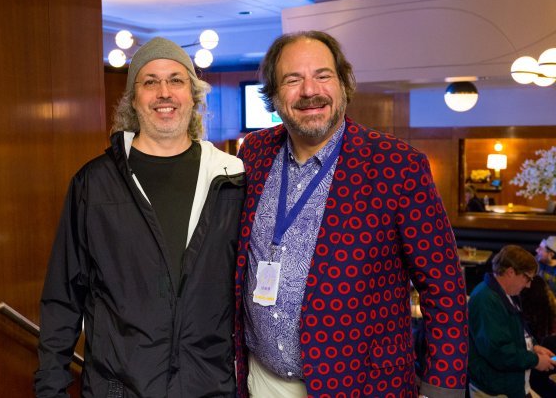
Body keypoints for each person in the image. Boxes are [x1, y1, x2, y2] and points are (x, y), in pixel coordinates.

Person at [234, 30, 468, 398]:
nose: (310, 91)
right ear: (274, 96)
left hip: (362, 385)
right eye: (293, 79)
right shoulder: (254, 152)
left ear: (344, 84)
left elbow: (444, 287)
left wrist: (442, 388)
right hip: (261, 380)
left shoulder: (398, 166)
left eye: (323, 75)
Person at [34, 37, 245, 397]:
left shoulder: (231, 179)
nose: (164, 92)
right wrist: (51, 388)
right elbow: (63, 296)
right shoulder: (94, 183)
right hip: (119, 388)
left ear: (193, 95)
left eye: (176, 80)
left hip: (209, 386)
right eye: (150, 82)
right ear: (133, 99)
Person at [468, 245, 556, 398]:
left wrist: (534, 346)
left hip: (513, 385)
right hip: (495, 390)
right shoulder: (486, 299)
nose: (528, 285)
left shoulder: (506, 293)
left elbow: (518, 330)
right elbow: (498, 351)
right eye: (527, 278)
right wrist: (535, 361)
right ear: (510, 272)